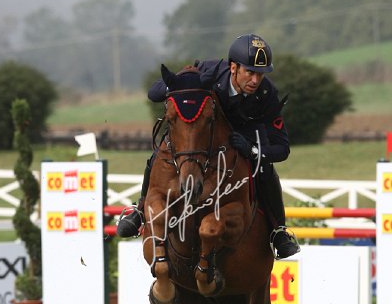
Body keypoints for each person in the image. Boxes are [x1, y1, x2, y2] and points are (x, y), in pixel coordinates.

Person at [117, 33, 300, 259]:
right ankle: (139, 209)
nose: (255, 80)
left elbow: (282, 148)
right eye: (250, 72)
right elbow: (154, 93)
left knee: (264, 168)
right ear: (233, 68)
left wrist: (252, 150)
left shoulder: (266, 93)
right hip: (207, 132)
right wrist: (178, 84)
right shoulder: (208, 71)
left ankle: (278, 231)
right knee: (161, 150)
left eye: (260, 74)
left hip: (245, 134)